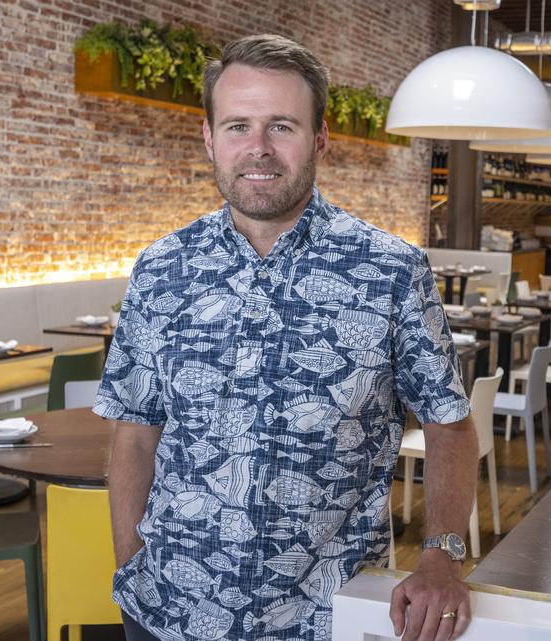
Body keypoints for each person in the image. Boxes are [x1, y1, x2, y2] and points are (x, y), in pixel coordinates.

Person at [95, 34, 478, 641]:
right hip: (168, 610)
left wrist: (441, 555)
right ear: (209, 137)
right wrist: (129, 564)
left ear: (320, 139)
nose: (258, 149)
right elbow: (136, 432)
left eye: (282, 126)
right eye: (238, 125)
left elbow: (448, 423)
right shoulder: (161, 268)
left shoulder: (390, 270)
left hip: (328, 615)